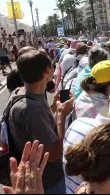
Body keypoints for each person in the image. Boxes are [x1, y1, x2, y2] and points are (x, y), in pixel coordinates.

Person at [8, 50, 74, 194]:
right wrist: (61, 116)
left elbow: (35, 127)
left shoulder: (20, 93)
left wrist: (53, 107)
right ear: (47, 71)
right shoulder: (33, 110)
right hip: (46, 181)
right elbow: (55, 153)